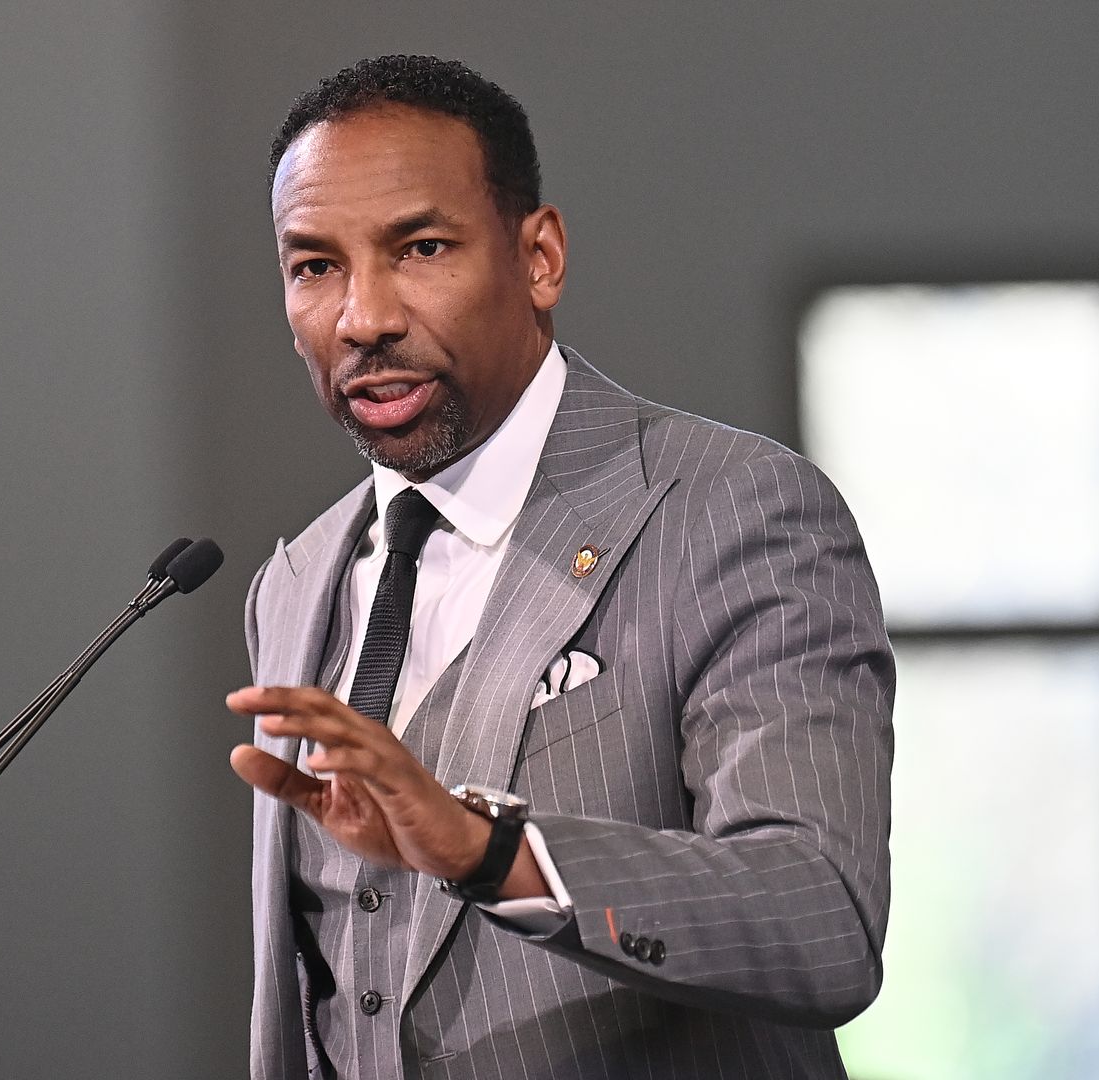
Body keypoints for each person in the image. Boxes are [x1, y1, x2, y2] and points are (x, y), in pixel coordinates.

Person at [225, 55, 895, 1080]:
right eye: (314, 265)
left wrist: (489, 853)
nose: (363, 317)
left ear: (538, 257)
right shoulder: (297, 582)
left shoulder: (729, 509)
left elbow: (821, 919)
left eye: (420, 248)